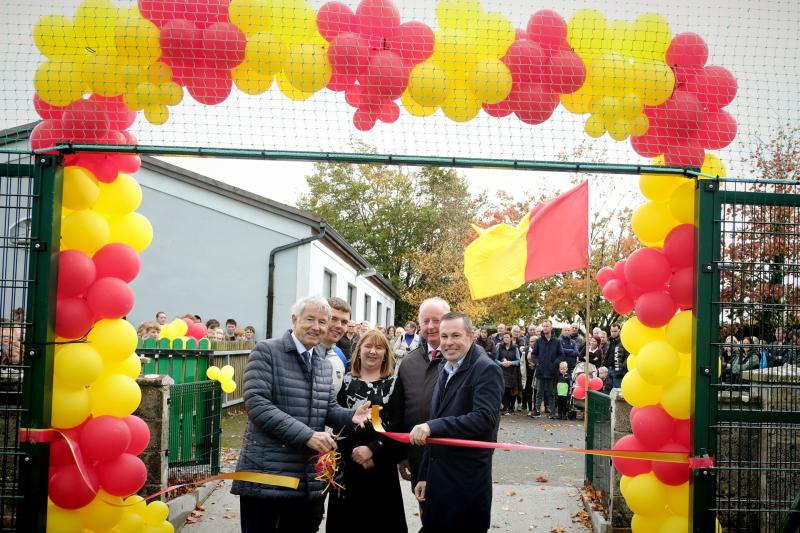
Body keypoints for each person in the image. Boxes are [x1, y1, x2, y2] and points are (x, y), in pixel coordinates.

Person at [230, 296, 372, 533]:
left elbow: (327, 409)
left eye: (322, 322)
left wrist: (351, 416)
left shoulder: (323, 364)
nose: (317, 327)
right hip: (267, 475)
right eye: (310, 319)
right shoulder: (266, 351)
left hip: (305, 478)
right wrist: (307, 436)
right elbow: (257, 405)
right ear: (294, 319)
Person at [410, 312, 503, 533]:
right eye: (444, 336)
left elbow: (484, 419)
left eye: (455, 335)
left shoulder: (486, 369)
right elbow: (434, 418)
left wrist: (433, 427)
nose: (449, 342)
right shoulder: (445, 367)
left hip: (465, 485)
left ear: (471, 336)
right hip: (437, 483)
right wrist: (423, 475)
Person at [326, 330, 406, 533]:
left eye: (379, 347)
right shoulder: (345, 382)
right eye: (368, 346)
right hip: (347, 461)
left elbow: (395, 424)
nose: (373, 351)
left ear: (386, 353)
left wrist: (372, 449)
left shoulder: (394, 384)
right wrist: (355, 450)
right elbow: (338, 421)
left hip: (381, 464)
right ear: (359, 350)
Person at [393, 297, 449, 493]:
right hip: (418, 455)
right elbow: (400, 411)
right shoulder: (409, 363)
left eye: (437, 320)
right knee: (427, 513)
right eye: (426, 321)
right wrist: (402, 454)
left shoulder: (463, 360)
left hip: (452, 458)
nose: (431, 326)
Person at [530, 319, 564, 419]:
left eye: (547, 326)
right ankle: (537, 411)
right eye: (543, 326)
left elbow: (561, 354)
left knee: (551, 393)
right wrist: (537, 363)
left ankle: (552, 413)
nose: (545, 328)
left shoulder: (557, 341)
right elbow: (533, 354)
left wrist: (555, 363)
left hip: (552, 371)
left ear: (551, 327)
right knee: (539, 393)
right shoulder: (539, 341)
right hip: (540, 371)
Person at [319, 297, 350, 397]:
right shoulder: (302, 351)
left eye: (344, 322)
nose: (339, 326)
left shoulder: (340, 356)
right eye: (333, 319)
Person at [494, 332, 521, 415]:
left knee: (511, 390)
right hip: (502, 371)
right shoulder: (500, 347)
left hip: (512, 371)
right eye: (504, 337)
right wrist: (501, 363)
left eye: (507, 337)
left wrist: (510, 362)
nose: (506, 338)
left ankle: (510, 407)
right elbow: (495, 359)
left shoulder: (515, 348)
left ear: (511, 338)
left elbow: (518, 360)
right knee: (504, 389)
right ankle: (505, 407)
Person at [521, 334, 537, 411]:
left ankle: (535, 408)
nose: (531, 343)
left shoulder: (539, 350)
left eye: (533, 341)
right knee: (528, 390)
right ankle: (530, 408)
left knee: (536, 390)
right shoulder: (526, 350)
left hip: (536, 372)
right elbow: (522, 362)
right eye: (530, 341)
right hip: (528, 372)